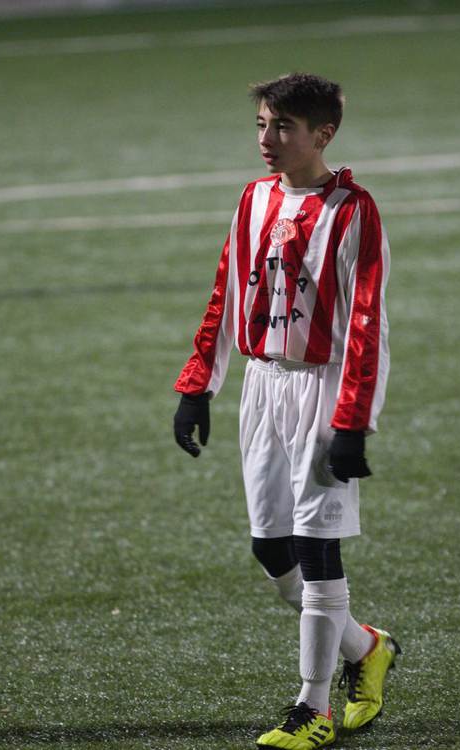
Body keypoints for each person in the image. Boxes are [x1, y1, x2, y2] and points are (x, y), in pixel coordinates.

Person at [173, 73, 398, 749]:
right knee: (271, 546)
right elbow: (227, 293)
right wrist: (197, 386)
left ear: (322, 135)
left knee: (317, 546)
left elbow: (366, 322)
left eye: (282, 127)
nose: (267, 139)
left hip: (321, 391)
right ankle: (367, 648)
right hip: (262, 386)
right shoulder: (253, 199)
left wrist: (353, 422)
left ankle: (313, 707)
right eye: (262, 125)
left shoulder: (353, 210)